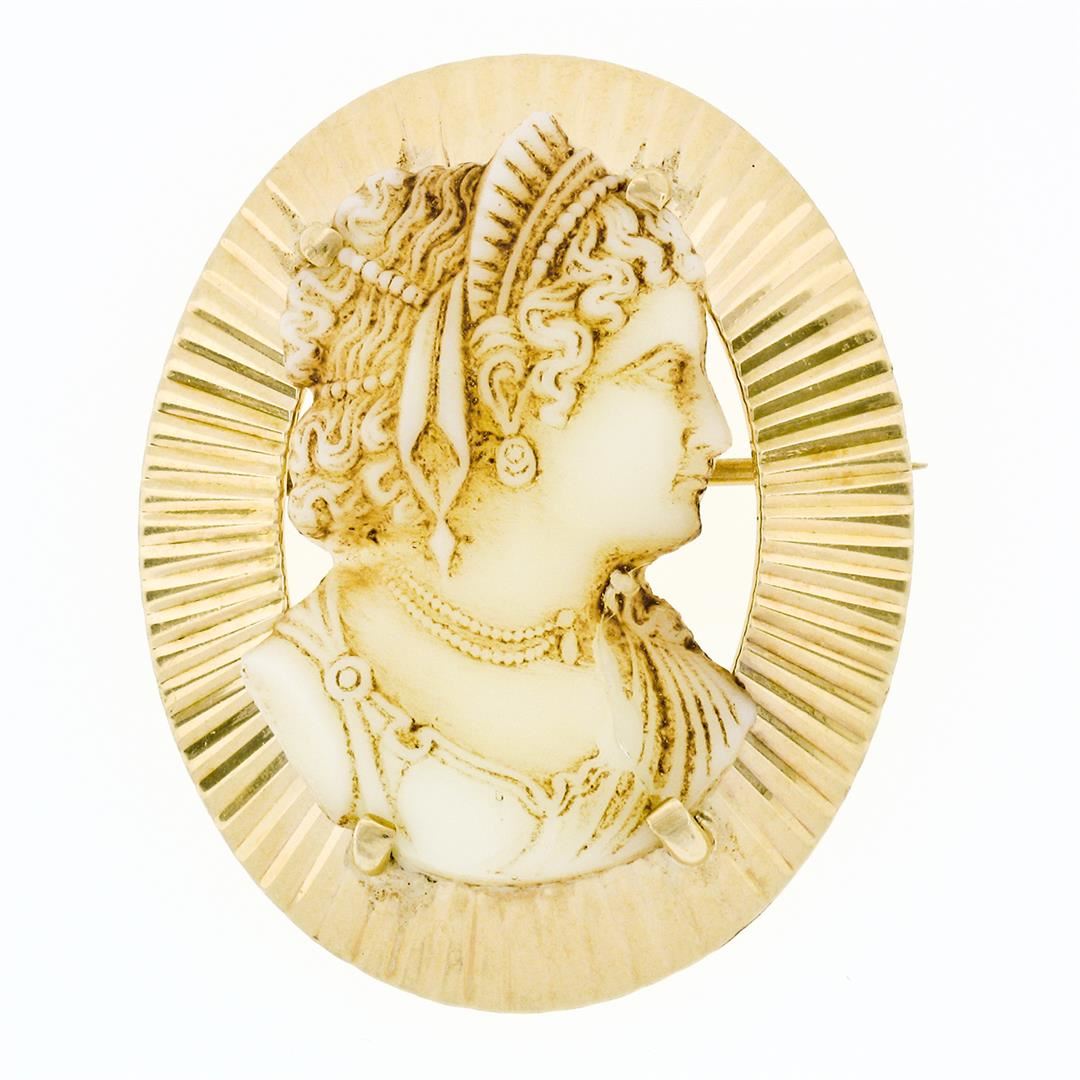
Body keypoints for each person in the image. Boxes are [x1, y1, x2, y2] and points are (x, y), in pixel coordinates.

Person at [243, 113, 756, 885]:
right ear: (509, 393)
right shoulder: (306, 682)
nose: (715, 430)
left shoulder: (692, 706)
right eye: (665, 374)